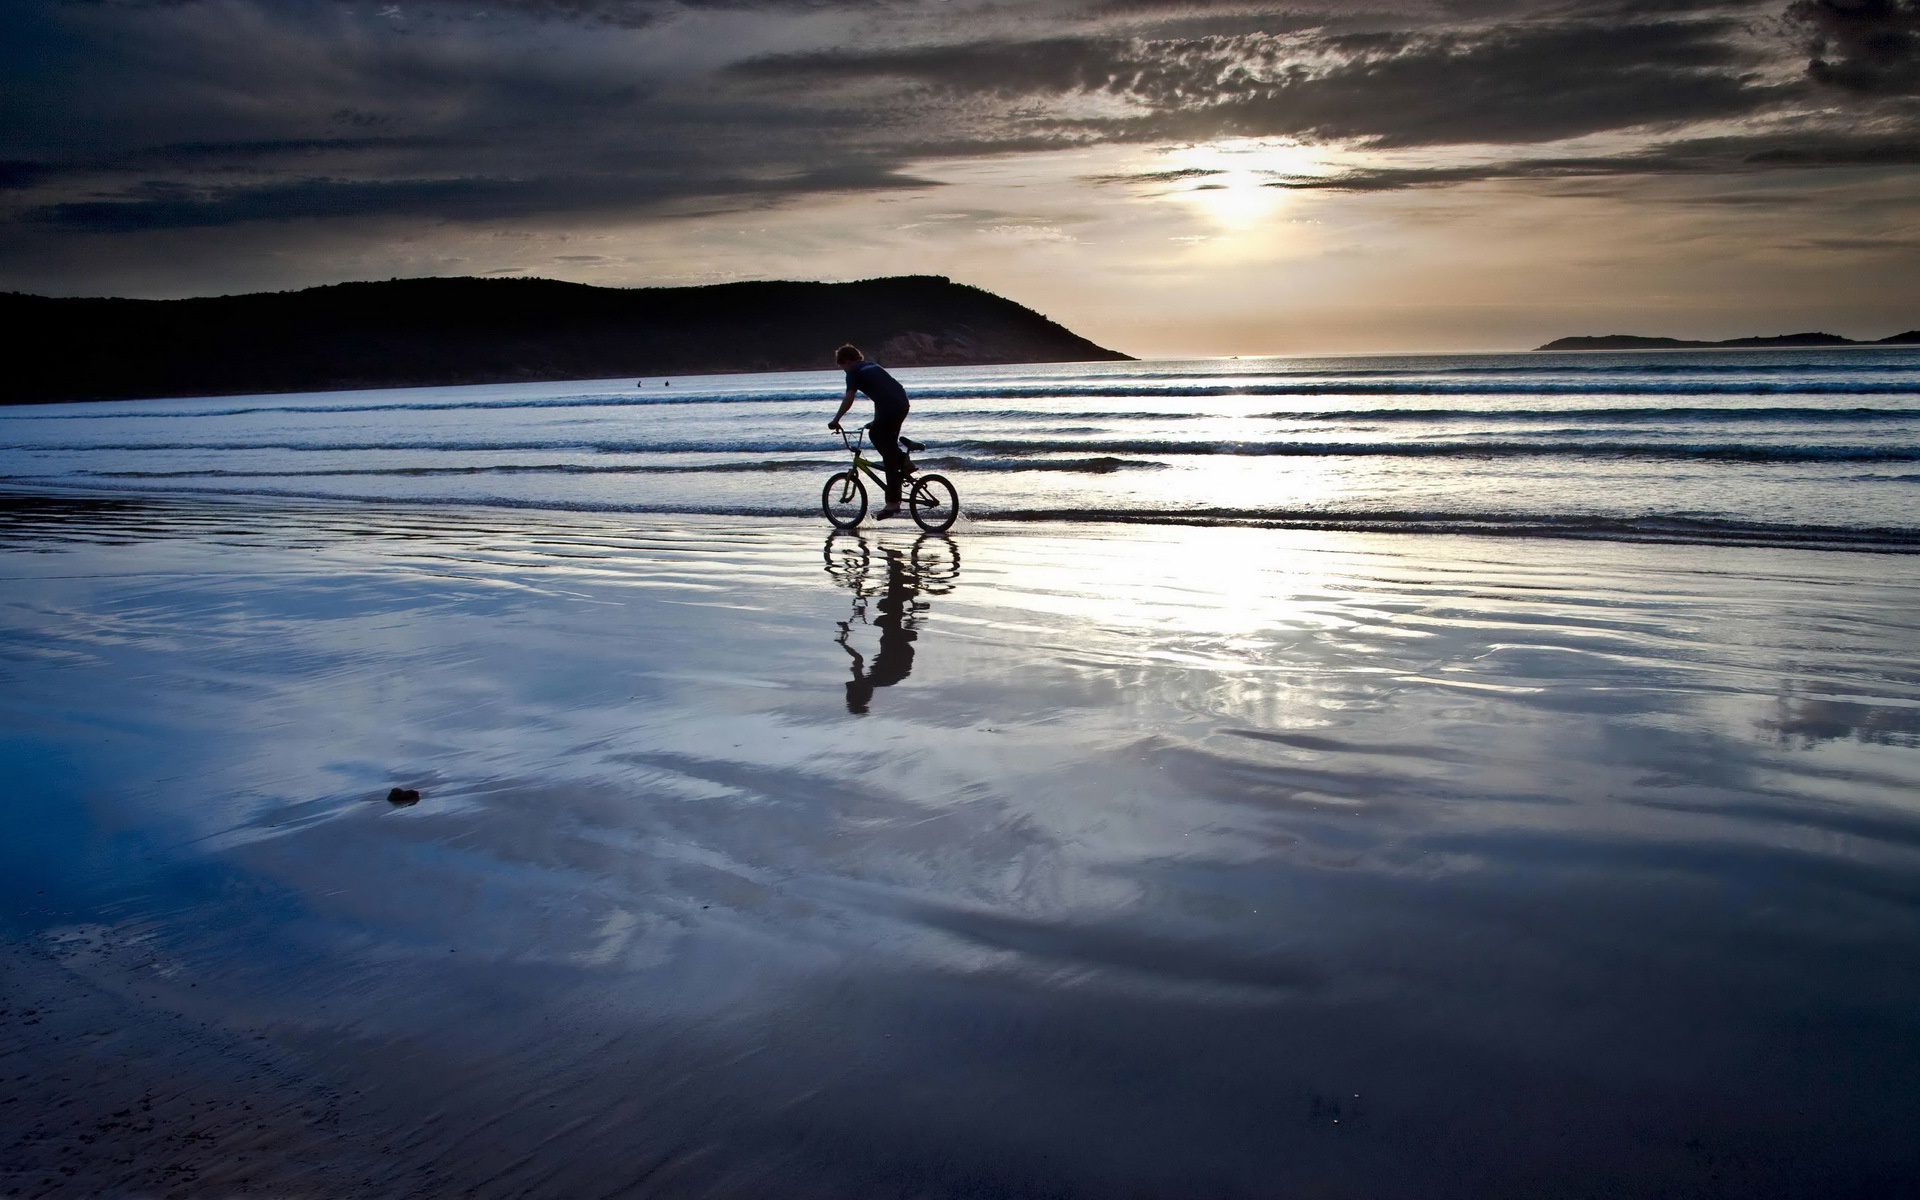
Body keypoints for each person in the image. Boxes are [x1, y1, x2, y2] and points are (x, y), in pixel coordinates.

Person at [828, 343, 911, 519]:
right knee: (874, 433)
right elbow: (881, 395)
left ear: (846, 361)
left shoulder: (853, 371)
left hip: (890, 407)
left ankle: (893, 503)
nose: (843, 370)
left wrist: (836, 420)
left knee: (888, 455)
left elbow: (849, 398)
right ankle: (903, 461)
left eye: (842, 366)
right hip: (901, 403)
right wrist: (876, 421)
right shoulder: (872, 365)